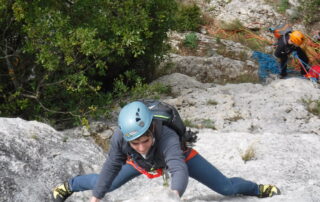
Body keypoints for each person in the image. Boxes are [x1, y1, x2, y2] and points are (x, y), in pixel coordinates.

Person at [52, 101, 280, 202]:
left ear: (152, 128)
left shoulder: (167, 137)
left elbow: (178, 168)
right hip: (140, 164)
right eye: (135, 143)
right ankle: (69, 185)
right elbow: (111, 166)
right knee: (107, 183)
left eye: (145, 140)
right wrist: (96, 198)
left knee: (226, 188)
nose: (141, 147)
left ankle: (258, 189)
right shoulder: (122, 137)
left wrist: (172, 196)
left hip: (179, 158)